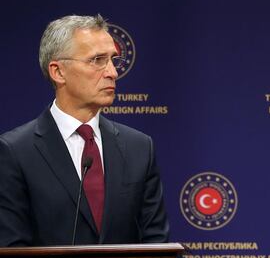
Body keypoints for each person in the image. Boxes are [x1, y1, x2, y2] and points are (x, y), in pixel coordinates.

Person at [0, 15, 169, 246]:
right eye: (97, 60)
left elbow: (156, 246)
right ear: (58, 72)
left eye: (112, 60)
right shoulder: (15, 152)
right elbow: (12, 251)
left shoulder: (139, 148)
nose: (112, 72)